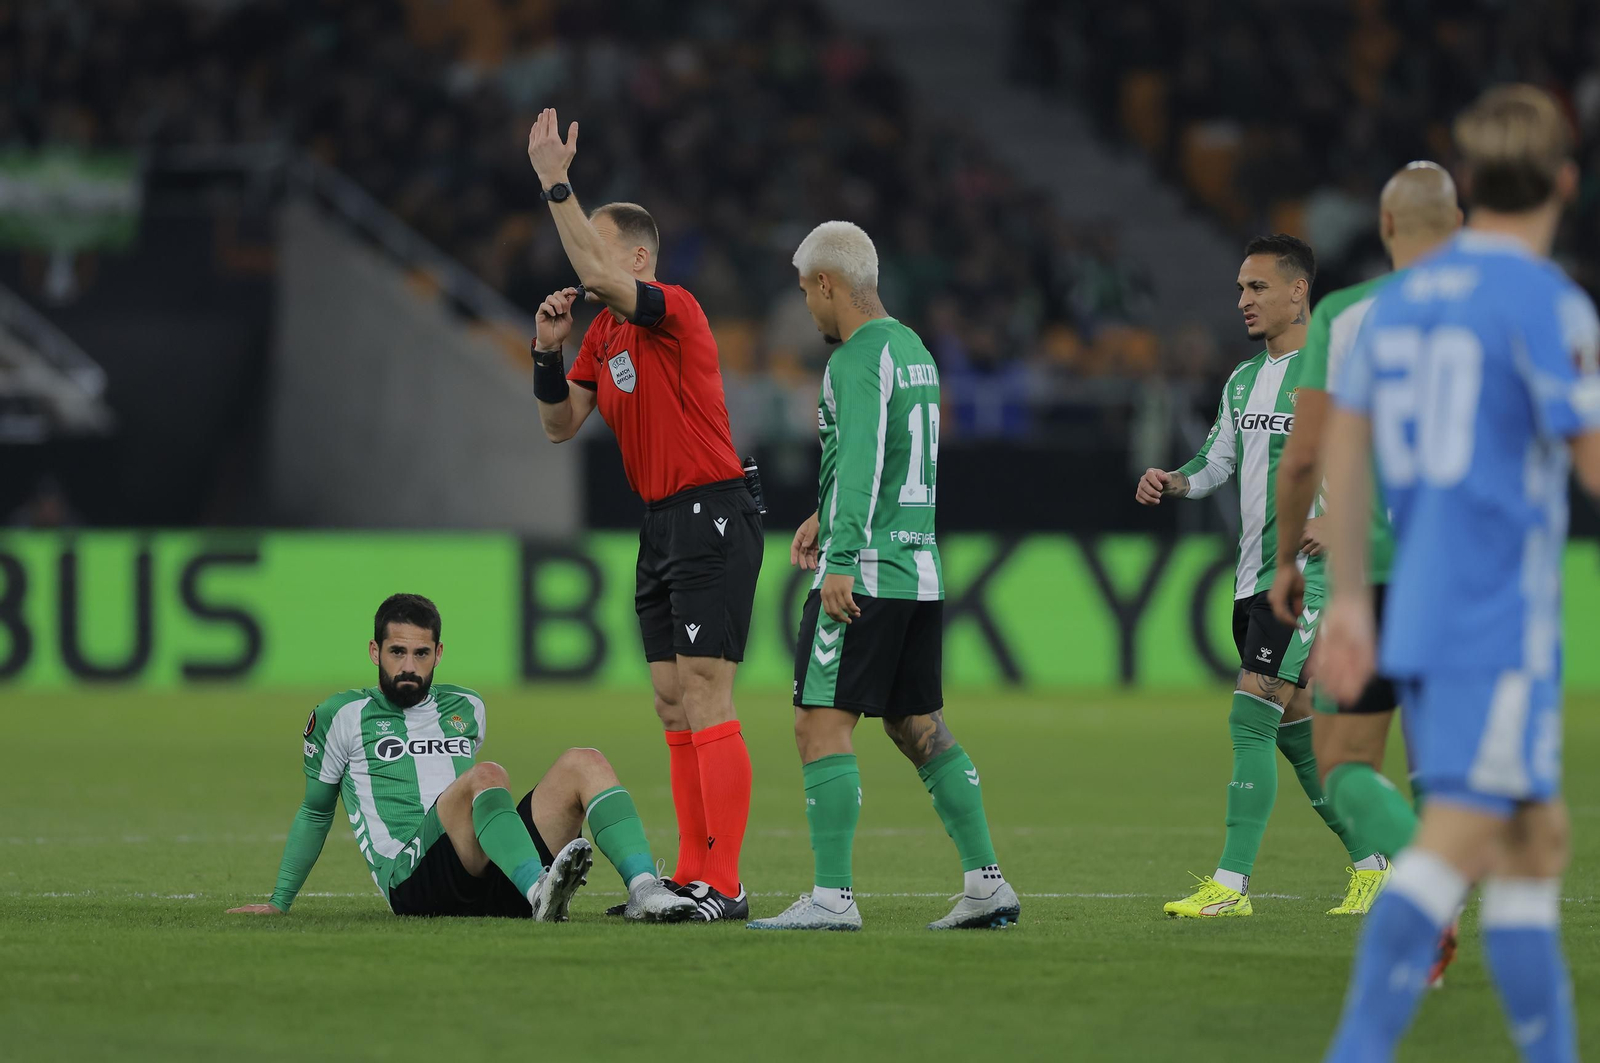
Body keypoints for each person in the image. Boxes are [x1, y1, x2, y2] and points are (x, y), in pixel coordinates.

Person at [1320, 84, 1600, 1063]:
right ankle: (1355, 1047)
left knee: (1534, 841)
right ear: (1567, 180)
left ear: (1472, 184)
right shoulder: (1545, 301)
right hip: (1498, 618)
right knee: (1453, 848)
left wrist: (1350, 596)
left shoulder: (1395, 307)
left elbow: (1343, 455)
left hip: (1423, 611)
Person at [746, 221, 1018, 932]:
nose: (806, 305)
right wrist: (822, 510)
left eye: (807, 289)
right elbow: (895, 459)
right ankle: (986, 880)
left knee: (817, 722)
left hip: (865, 571)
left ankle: (832, 897)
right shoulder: (913, 349)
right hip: (917, 569)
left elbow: (865, 454)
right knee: (915, 722)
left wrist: (839, 556)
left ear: (829, 284)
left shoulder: (854, 359)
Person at [525, 108, 761, 921]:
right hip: (661, 521)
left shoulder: (676, 312)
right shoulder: (602, 338)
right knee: (669, 696)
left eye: (595, 241)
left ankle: (720, 882)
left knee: (705, 689)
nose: (581, 255)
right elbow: (560, 425)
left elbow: (588, 264)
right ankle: (691, 871)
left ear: (634, 257)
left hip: (712, 510)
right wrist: (546, 352)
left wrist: (553, 178)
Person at [1136, 235, 1384, 917]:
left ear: (1299, 290)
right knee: (1295, 728)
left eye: (1258, 288)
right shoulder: (1243, 379)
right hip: (1255, 574)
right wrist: (1174, 479)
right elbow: (1217, 460)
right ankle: (1374, 862)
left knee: (1250, 714)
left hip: (1310, 576)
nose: (1243, 300)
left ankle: (1231, 884)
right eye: (1241, 289)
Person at [225, 594, 694, 923]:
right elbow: (314, 810)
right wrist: (279, 901)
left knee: (584, 761)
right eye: (397, 652)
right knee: (486, 776)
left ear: (438, 654)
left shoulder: (466, 707)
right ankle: (540, 891)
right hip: (412, 881)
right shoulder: (341, 715)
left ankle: (644, 891)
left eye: (421, 653)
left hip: (491, 869)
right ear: (375, 652)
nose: (408, 665)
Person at [1267, 163, 1462, 936]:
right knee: (1446, 762)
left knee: (1344, 760)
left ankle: (1425, 882)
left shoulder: (1348, 317)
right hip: (1473, 573)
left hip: (1376, 572)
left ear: (1385, 226)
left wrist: (1286, 557)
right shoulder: (1506, 308)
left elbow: (1303, 458)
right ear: (1456, 227)